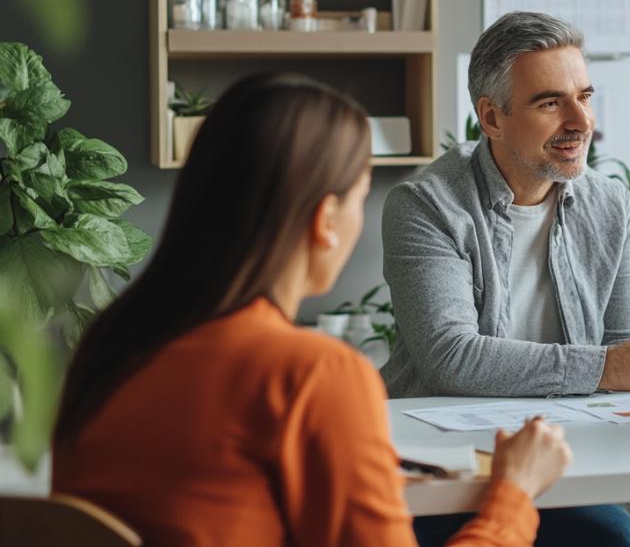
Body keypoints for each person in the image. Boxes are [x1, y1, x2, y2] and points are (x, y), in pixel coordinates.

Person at [52, 74, 572, 547]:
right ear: (326, 218)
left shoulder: (109, 346)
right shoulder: (312, 374)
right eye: (359, 199)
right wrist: (515, 492)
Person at [382, 11, 630, 545]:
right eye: (550, 102)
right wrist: (615, 365)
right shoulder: (425, 205)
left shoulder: (612, 204)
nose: (580, 120)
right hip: (439, 471)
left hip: (564, 457)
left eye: (585, 96)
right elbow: (451, 358)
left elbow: (623, 350)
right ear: (492, 118)